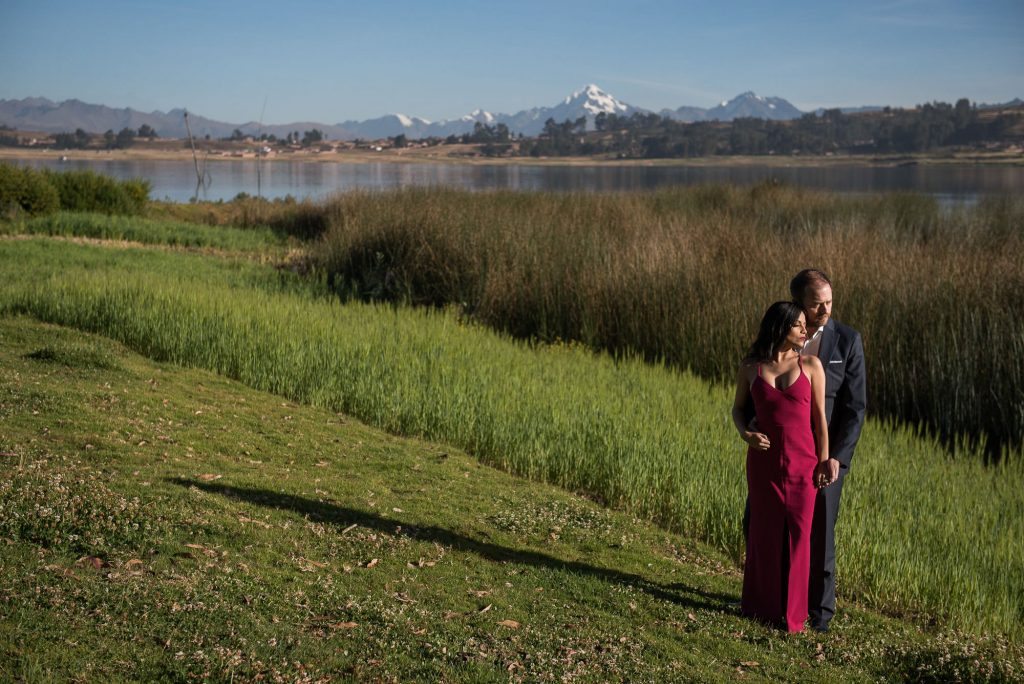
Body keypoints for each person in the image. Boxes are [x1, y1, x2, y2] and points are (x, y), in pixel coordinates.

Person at [732, 301, 834, 633]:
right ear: (781, 328)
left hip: (804, 466)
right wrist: (746, 433)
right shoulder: (751, 368)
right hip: (763, 465)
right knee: (764, 532)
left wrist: (823, 461)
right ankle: (760, 607)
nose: (806, 331)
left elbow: (820, 420)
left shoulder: (811, 366)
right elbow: (737, 410)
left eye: (805, 325)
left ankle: (792, 617)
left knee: (800, 536)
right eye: (799, 325)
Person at [790, 269, 866, 632]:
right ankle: (781, 596)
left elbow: (855, 407)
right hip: (786, 448)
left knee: (821, 532)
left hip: (825, 456)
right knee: (761, 519)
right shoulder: (782, 333)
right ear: (798, 303)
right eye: (817, 303)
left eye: (829, 302)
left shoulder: (848, 340)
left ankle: (819, 616)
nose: (825, 309)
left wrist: (836, 456)